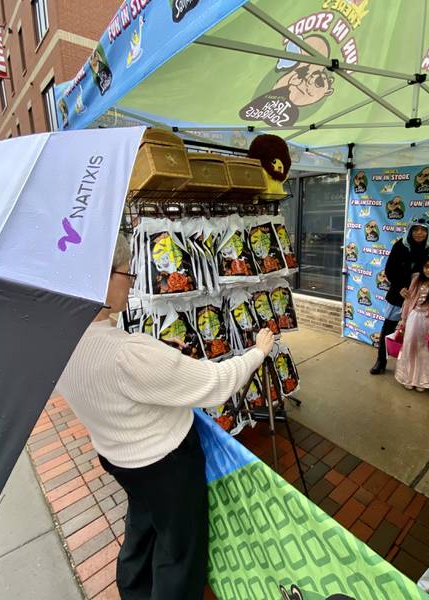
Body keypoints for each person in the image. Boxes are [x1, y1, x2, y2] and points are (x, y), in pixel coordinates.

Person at [56, 233, 275, 600]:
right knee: (179, 550)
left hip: (117, 457)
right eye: (126, 275)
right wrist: (258, 352)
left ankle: (134, 589)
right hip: (166, 464)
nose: (130, 284)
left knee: (142, 526)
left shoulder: (59, 340)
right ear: (102, 278)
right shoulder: (126, 353)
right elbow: (217, 383)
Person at [370, 214, 429, 375]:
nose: (419, 233)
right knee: (388, 327)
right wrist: (400, 287)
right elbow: (389, 270)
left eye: (423, 230)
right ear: (410, 231)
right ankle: (381, 360)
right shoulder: (400, 246)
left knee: (416, 332)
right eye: (416, 230)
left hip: (419, 298)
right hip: (398, 295)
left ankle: (412, 367)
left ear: (428, 232)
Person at [394, 254, 429, 391]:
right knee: (409, 346)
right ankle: (407, 377)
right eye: (427, 267)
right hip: (414, 317)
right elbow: (409, 300)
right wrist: (404, 319)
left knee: (425, 350)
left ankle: (421, 381)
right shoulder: (417, 279)